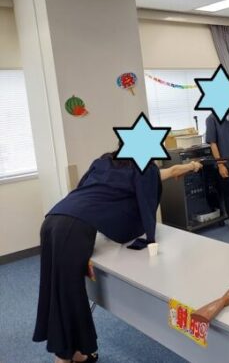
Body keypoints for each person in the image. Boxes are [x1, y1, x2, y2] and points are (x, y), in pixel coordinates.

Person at [33, 151, 201, 363]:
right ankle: (62, 359)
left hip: (53, 220)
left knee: (57, 288)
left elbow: (84, 190)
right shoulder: (142, 170)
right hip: (73, 228)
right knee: (69, 295)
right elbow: (170, 172)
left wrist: (190, 166)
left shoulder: (104, 163)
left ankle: (75, 353)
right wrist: (193, 166)